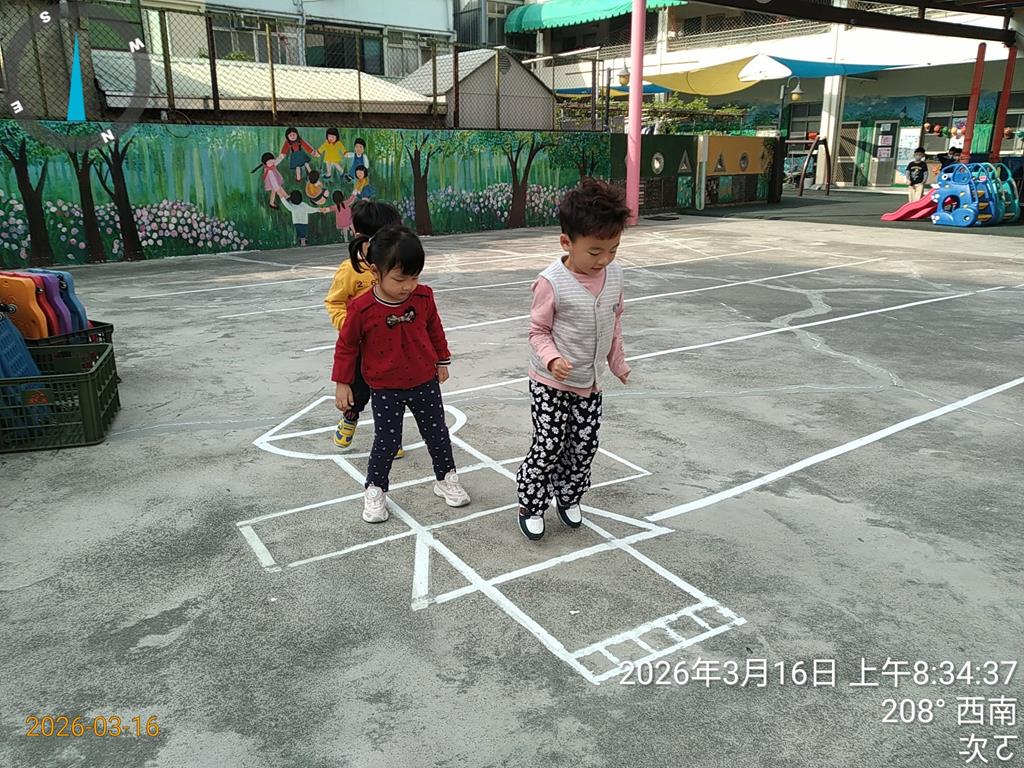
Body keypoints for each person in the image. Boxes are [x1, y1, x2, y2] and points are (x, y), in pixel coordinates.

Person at [515, 179, 631, 541]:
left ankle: (569, 496)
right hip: (550, 383)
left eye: (613, 249)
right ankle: (531, 503)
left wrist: (617, 361)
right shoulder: (551, 282)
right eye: (595, 251)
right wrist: (552, 360)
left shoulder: (614, 275)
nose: (604, 259)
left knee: (584, 445)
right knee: (549, 444)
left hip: (589, 383)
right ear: (567, 242)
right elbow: (537, 332)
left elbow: (613, 322)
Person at [332, 225, 470, 523]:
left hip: (424, 381)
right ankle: (375, 489)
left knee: (437, 434)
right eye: (399, 279)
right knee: (386, 441)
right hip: (385, 387)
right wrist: (343, 383)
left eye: (414, 277)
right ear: (375, 272)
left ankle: (446, 478)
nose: (408, 286)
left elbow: (434, 329)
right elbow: (346, 346)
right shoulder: (362, 308)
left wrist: (442, 361)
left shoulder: (423, 297)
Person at [325, 200, 405, 456]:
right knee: (358, 392)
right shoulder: (351, 270)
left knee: (391, 394)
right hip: (361, 346)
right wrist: (348, 325)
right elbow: (335, 302)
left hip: (391, 345)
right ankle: (350, 418)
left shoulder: (395, 265)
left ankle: (391, 438)